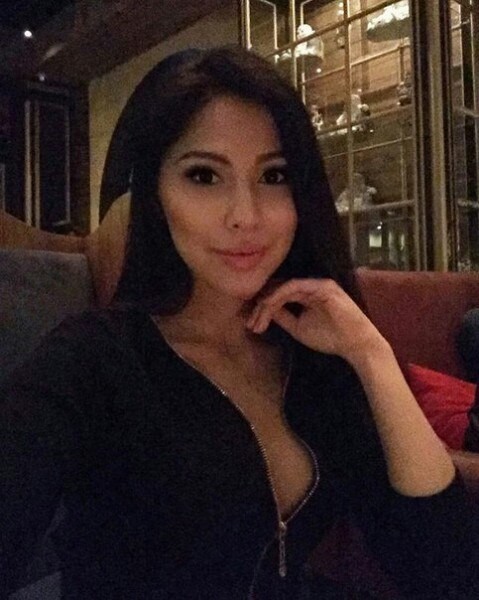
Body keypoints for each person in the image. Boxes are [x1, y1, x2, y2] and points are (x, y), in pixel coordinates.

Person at [1, 45, 478, 600]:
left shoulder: (315, 355)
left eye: (274, 175)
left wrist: (371, 354)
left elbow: (444, 571)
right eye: (204, 175)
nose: (246, 216)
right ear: (154, 194)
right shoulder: (93, 360)